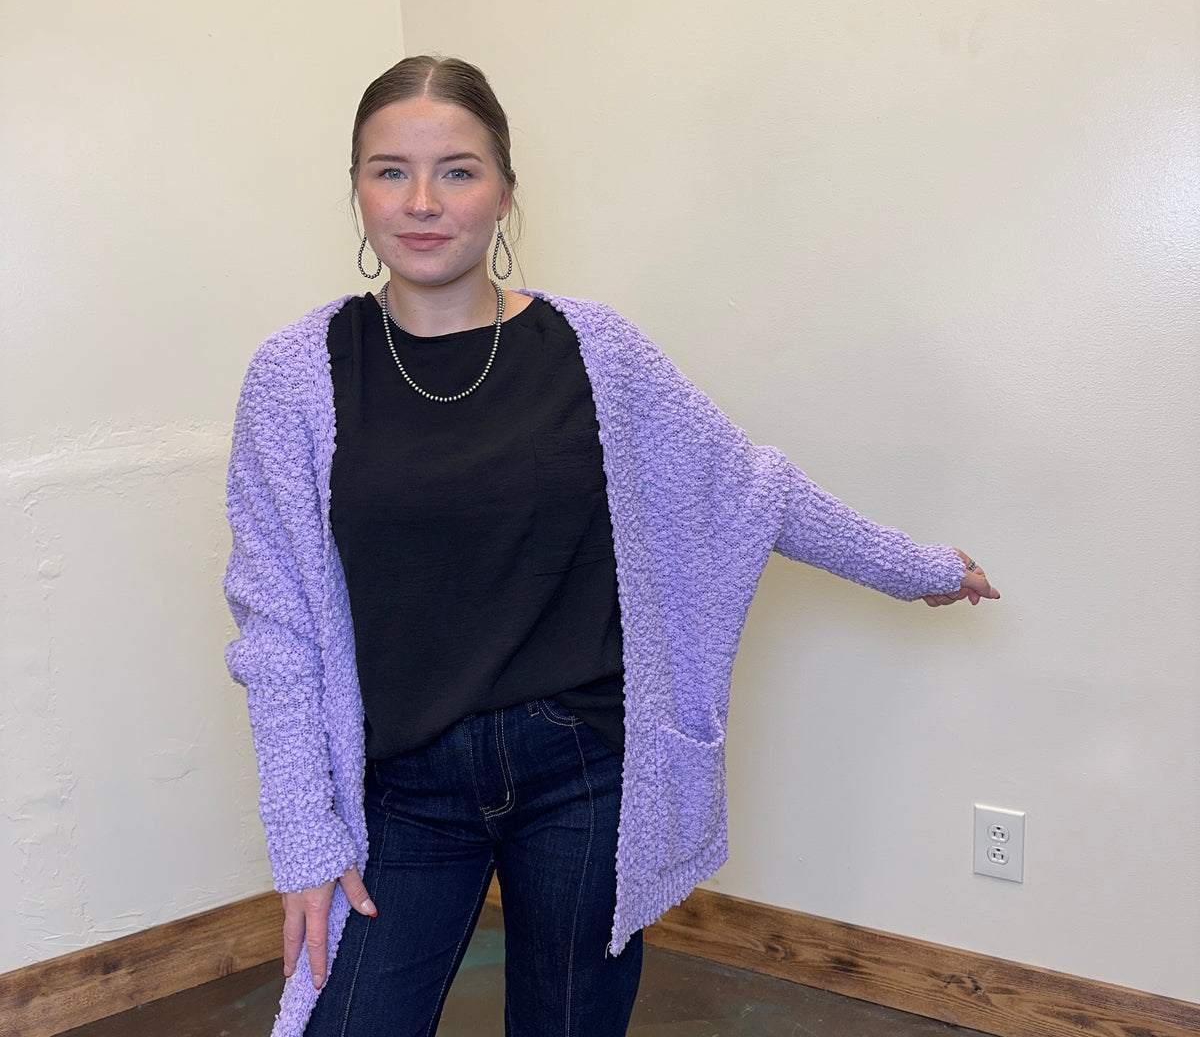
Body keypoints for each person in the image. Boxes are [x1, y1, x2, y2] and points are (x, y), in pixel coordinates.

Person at [223, 55, 999, 1037]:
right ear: (356, 190)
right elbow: (277, 627)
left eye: (458, 170)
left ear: (505, 190)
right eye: (390, 171)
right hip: (400, 786)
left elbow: (748, 489)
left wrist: (918, 568)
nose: (423, 201)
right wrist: (302, 838)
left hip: (582, 771)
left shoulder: (596, 353)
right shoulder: (297, 378)